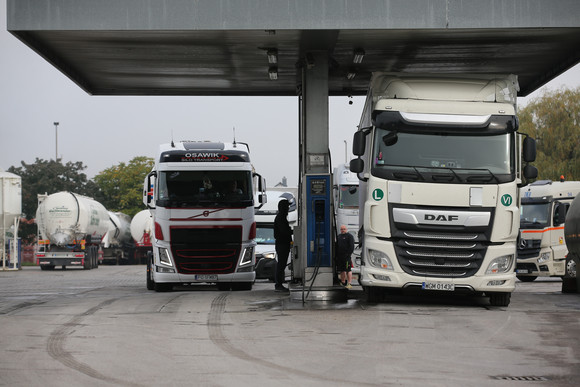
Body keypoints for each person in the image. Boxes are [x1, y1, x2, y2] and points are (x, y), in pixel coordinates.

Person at [274, 199, 292, 292]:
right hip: (282, 244)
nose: (288, 208)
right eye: (287, 206)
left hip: (283, 244)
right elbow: (284, 231)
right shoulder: (281, 217)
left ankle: (279, 283)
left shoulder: (282, 217)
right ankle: (279, 284)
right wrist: (292, 231)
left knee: (282, 264)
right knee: (281, 264)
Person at [336, 225, 355, 289]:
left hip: (347, 257)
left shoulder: (350, 236)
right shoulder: (339, 236)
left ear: (346, 229)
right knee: (342, 270)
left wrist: (348, 254)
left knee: (348, 270)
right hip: (340, 257)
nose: (343, 230)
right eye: (341, 229)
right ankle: (343, 282)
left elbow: (351, 246)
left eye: (344, 229)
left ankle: (349, 283)